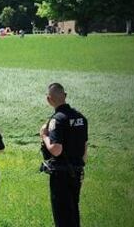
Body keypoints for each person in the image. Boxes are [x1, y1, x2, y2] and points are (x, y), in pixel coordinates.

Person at [39, 83, 88, 227]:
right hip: (77, 172)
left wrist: (44, 136)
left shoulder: (57, 119)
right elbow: (85, 148)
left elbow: (56, 149)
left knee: (62, 216)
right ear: (65, 95)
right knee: (73, 212)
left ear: (49, 99)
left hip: (61, 174)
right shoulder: (81, 118)